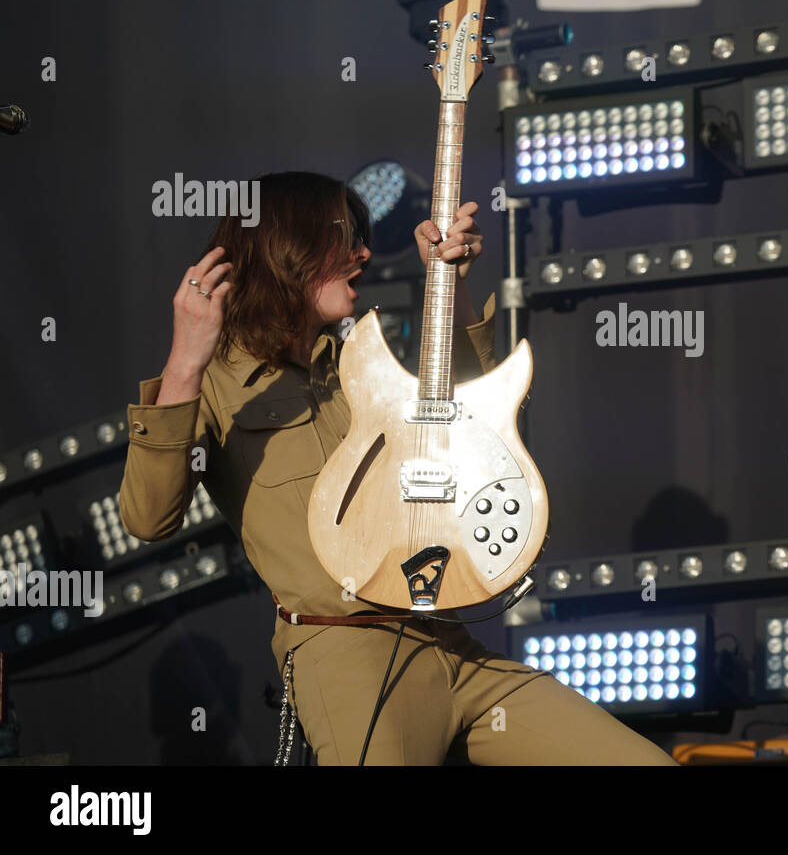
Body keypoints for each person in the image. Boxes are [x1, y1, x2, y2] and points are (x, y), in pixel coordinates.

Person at [119, 171, 676, 766]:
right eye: (343, 238)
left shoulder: (363, 358)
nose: (363, 252)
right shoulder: (215, 382)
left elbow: (470, 425)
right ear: (290, 249)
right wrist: (184, 362)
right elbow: (149, 519)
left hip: (453, 644)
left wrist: (452, 288)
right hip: (348, 656)